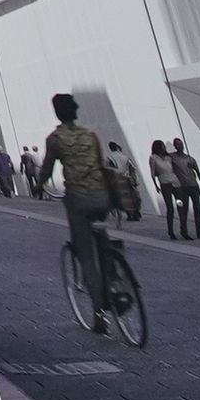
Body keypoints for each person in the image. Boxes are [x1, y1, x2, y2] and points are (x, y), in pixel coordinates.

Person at [42, 91, 126, 330]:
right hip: (102, 196)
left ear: (57, 113)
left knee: (86, 254)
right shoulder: (91, 136)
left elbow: (47, 169)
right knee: (102, 238)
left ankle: (99, 314)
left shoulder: (55, 139)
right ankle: (115, 276)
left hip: (78, 199)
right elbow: (99, 164)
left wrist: (40, 184)